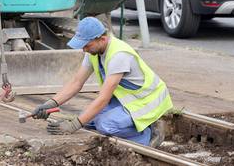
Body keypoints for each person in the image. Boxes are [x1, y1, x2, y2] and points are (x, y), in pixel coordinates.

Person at [32, 17, 173, 146]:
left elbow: (103, 99)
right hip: (128, 100)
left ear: (102, 39)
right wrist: (49, 104)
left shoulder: (119, 55)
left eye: (86, 45)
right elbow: (76, 83)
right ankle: (141, 126)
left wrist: (73, 125)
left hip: (148, 101)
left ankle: (148, 135)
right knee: (90, 120)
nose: (83, 49)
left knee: (105, 125)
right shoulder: (94, 51)